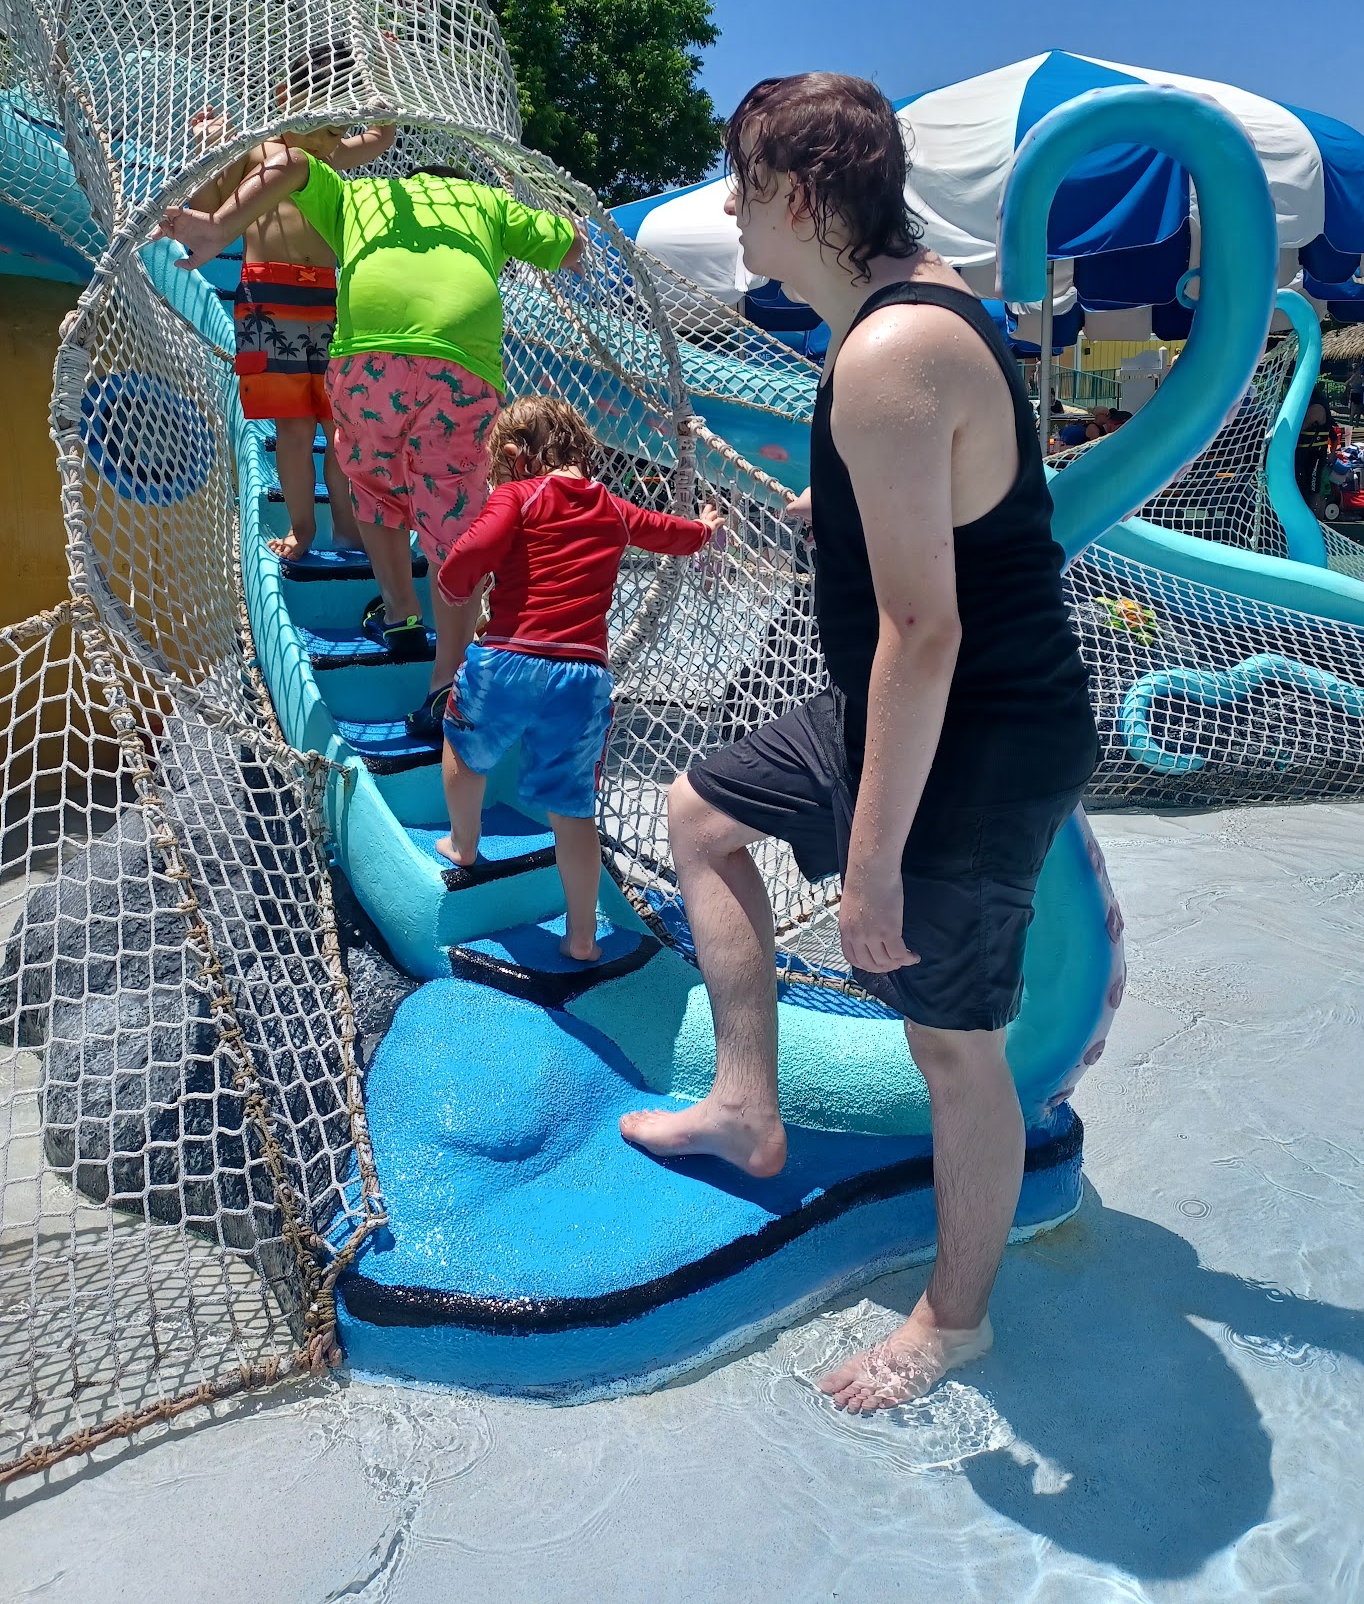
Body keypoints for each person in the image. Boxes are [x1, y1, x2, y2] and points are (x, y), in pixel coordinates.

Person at [618, 73, 1099, 1413]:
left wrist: (872, 864)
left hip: (979, 734)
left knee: (953, 1044)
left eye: (743, 185)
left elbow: (924, 630)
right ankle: (746, 1105)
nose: (731, 210)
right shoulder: (900, 311)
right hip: (906, 703)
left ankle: (955, 1318)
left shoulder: (893, 353)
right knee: (702, 814)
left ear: (801, 196)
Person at [158, 148, 585, 737]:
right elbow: (571, 246)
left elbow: (290, 161)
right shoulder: (487, 202)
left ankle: (400, 610)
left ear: (411, 182)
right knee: (452, 523)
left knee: (375, 487)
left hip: (370, 360)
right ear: (460, 188)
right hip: (461, 367)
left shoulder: (364, 195)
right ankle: (447, 683)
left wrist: (219, 226)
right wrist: (567, 227)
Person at [435, 396, 722, 961]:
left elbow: (476, 548)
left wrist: (453, 586)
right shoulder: (611, 505)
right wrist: (702, 529)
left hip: (511, 659)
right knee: (574, 809)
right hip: (583, 678)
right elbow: (668, 533)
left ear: (516, 454)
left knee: (463, 746)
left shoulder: (519, 493)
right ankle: (584, 936)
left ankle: (464, 844)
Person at [190, 44, 396, 561]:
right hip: (269, 297)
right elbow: (205, 208)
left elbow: (381, 137)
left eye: (338, 129)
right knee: (294, 426)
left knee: (340, 423)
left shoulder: (327, 154)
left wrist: (382, 70)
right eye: (323, 126)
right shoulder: (256, 150)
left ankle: (346, 525)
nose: (330, 141)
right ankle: (302, 528)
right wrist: (211, 151)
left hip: (328, 296)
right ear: (286, 100)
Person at [1294, 387, 1333, 507]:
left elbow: (1300, 427)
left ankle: (1313, 513)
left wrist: (1332, 454)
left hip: (1314, 455)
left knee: (1313, 487)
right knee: (1305, 484)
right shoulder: (1314, 407)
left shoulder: (1316, 408)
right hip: (1306, 455)